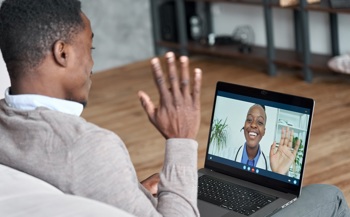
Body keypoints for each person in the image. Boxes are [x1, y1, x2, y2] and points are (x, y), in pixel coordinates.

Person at [0, 0, 349, 217]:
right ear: (63, 53)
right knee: (328, 195)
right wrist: (180, 140)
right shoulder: (90, 148)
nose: (92, 61)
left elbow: (81, 192)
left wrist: (131, 190)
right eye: (90, 47)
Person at [234, 104, 300, 175]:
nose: (253, 125)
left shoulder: (272, 165)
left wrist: (279, 174)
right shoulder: (225, 154)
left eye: (260, 122)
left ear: (264, 131)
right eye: (249, 120)